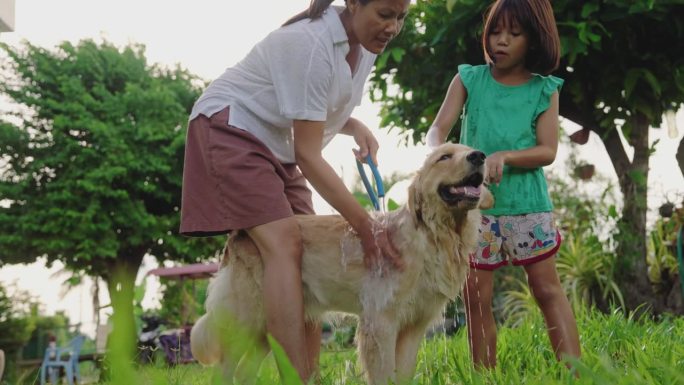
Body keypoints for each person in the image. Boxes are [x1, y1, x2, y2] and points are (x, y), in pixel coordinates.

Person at [179, 0, 409, 381]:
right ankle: (297, 379)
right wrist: (366, 227)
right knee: (285, 243)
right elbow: (309, 154)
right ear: (353, 3)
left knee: (311, 250)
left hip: (276, 143)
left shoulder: (365, 47)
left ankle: (310, 374)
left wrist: (354, 126)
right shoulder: (311, 43)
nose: (393, 27)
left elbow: (314, 105)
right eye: (385, 14)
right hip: (230, 128)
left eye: (400, 17)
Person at [426, 0, 581, 369]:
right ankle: (485, 376)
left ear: (535, 38)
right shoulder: (468, 79)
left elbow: (547, 150)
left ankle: (577, 374)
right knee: (476, 298)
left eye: (514, 33)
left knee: (545, 290)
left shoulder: (545, 89)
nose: (502, 41)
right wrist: (443, 156)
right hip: (474, 208)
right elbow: (437, 130)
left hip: (528, 206)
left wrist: (505, 157)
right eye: (495, 31)